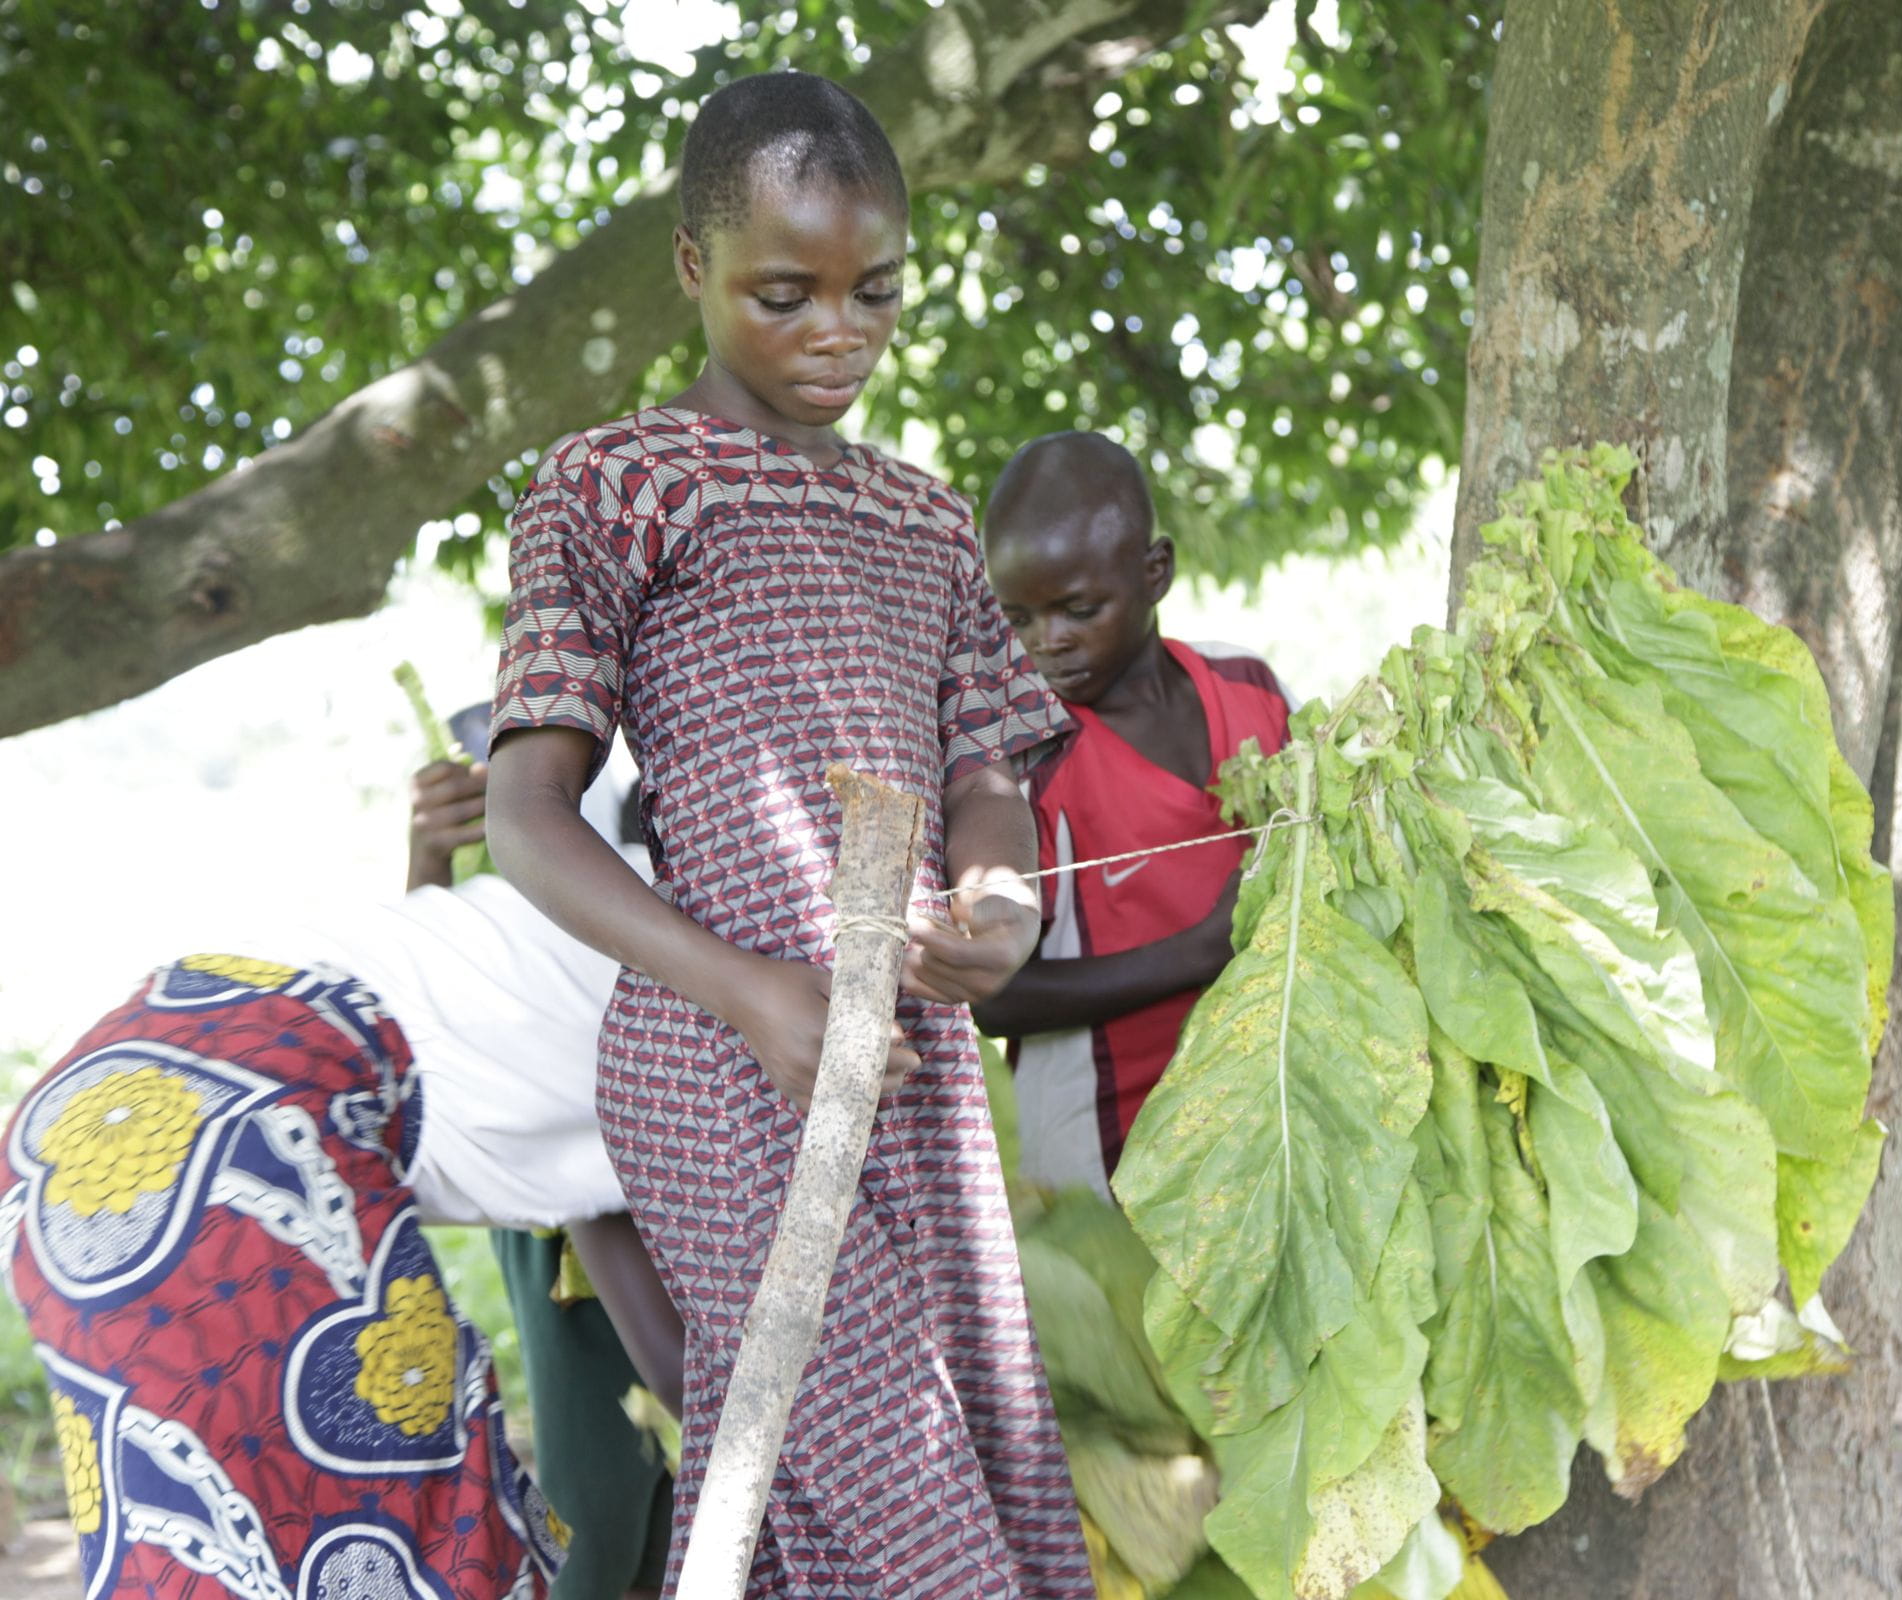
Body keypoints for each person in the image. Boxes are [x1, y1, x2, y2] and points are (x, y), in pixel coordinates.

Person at [480, 71, 1090, 1600]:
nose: (839, 332)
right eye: (784, 292)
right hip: (716, 1059)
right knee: (916, 1517)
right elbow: (526, 819)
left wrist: (1000, 902)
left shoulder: (929, 523)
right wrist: (753, 991)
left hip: (914, 1068)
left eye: (875, 292)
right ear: (693, 268)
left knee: (844, 1507)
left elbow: (988, 777)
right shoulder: (613, 486)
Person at [0, 760, 671, 1596]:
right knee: (411, 1547)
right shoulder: (731, 991)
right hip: (232, 1146)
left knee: (194, 1544)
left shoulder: (598, 919)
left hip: (88, 1127)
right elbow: (681, 1356)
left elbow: (639, 1294)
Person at [971, 433, 1294, 1194]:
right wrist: (1199, 951)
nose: (1047, 642)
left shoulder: (1253, 689)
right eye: (1019, 619)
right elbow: (995, 998)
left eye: (1079, 610)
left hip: (1272, 1124)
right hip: (1107, 1171)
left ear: (1156, 573)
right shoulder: (1017, 764)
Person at [412, 717, 677, 1600]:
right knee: (600, 1490)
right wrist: (431, 853)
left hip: (669, 1145)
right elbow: (450, 985)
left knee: (666, 1496)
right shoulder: (550, 768)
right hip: (567, 1163)